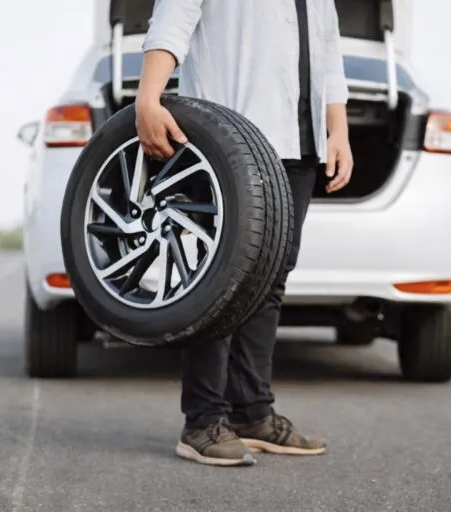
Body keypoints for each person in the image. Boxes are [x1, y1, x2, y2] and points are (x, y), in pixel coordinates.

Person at [135, 0, 353, 466]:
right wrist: (148, 98)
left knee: (270, 278)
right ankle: (202, 421)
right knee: (219, 278)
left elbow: (330, 51)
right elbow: (172, 20)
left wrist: (338, 130)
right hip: (231, 138)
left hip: (300, 144)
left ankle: (251, 413)